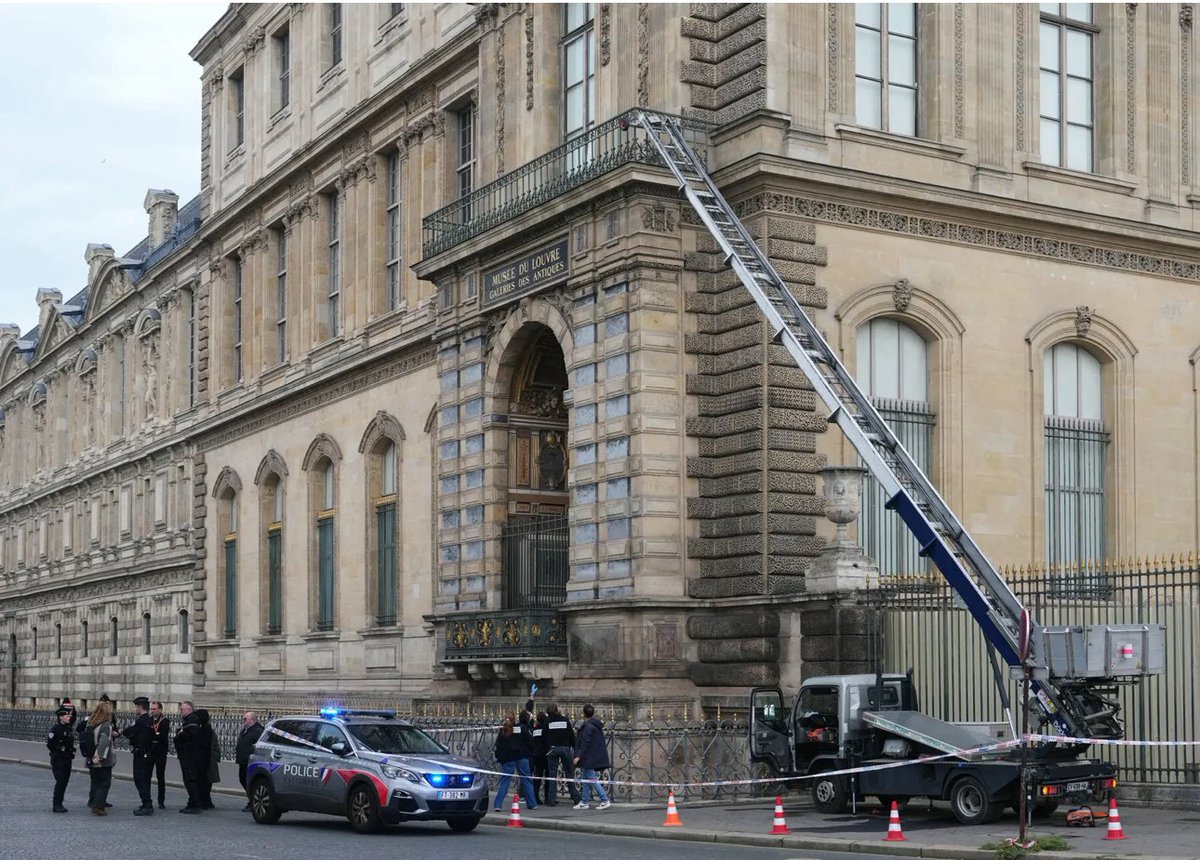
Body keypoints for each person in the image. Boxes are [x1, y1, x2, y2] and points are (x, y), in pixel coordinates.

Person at [492, 714, 539, 812]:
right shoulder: (522, 729)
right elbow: (530, 742)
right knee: (527, 780)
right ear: (515, 720)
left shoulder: (503, 731)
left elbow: (498, 746)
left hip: (508, 759)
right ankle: (532, 803)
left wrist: (500, 758)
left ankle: (498, 804)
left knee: (505, 781)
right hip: (522, 757)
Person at [573, 704, 612, 810]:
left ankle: (604, 799)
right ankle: (584, 801)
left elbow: (585, 743)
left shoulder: (588, 727)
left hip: (589, 757)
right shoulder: (594, 725)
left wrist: (578, 756)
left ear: (583, 714)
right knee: (585, 778)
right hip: (591, 756)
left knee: (591, 779)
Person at [121, 696, 156, 815]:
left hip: (141, 753)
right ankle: (146, 802)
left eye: (136, 706)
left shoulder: (141, 720)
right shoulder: (149, 720)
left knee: (140, 779)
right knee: (144, 779)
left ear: (140, 707)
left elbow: (129, 731)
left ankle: (147, 804)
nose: (135, 709)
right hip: (147, 753)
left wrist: (122, 732)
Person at [543, 702, 581, 806]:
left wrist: (547, 748)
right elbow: (571, 736)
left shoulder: (547, 722)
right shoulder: (565, 720)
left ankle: (551, 799)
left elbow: (544, 737)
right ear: (557, 710)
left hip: (552, 749)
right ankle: (576, 797)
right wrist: (575, 749)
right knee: (569, 773)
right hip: (565, 748)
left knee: (552, 775)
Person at [85, 700, 116, 816]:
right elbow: (104, 742)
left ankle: (93, 801)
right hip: (102, 760)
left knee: (96, 782)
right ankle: (98, 806)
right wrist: (100, 757)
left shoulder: (91, 723)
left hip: (90, 756)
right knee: (105, 783)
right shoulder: (106, 725)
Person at [173, 701, 205, 813]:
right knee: (188, 780)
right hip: (186, 755)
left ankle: (195, 804)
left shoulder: (192, 720)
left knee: (190, 780)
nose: (180, 711)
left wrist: (180, 734)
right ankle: (192, 802)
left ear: (188, 710)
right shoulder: (188, 720)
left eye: (182, 709)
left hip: (190, 756)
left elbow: (191, 736)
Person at [47, 703, 75, 813]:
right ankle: (57, 804)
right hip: (58, 759)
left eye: (70, 716)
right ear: (61, 717)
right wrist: (58, 751)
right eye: (67, 716)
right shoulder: (55, 729)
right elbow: (50, 745)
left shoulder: (68, 728)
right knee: (60, 782)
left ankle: (60, 803)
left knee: (64, 782)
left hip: (67, 758)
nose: (69, 718)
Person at [235, 711, 264, 811]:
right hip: (243, 760)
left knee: (248, 781)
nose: (243, 721)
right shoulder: (245, 729)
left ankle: (253, 801)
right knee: (242, 779)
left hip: (250, 761)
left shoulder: (258, 730)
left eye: (245, 719)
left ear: (252, 720)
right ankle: (252, 799)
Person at [149, 701, 170, 809]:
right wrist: (155, 734)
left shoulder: (165, 721)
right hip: (150, 751)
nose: (152, 711)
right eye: (151, 709)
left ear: (160, 709)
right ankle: (147, 800)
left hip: (160, 752)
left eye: (154, 709)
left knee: (160, 777)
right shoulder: (148, 720)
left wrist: (153, 735)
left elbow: (162, 736)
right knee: (147, 776)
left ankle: (161, 801)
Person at [197, 708, 219, 809]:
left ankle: (204, 801)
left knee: (204, 782)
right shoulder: (208, 730)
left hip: (206, 760)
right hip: (209, 760)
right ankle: (206, 800)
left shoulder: (205, 730)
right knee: (206, 782)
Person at [530, 708, 551, 805]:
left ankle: (535, 796)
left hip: (536, 755)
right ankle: (547, 797)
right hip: (545, 755)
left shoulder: (535, 729)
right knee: (547, 777)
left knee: (537, 777)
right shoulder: (546, 729)